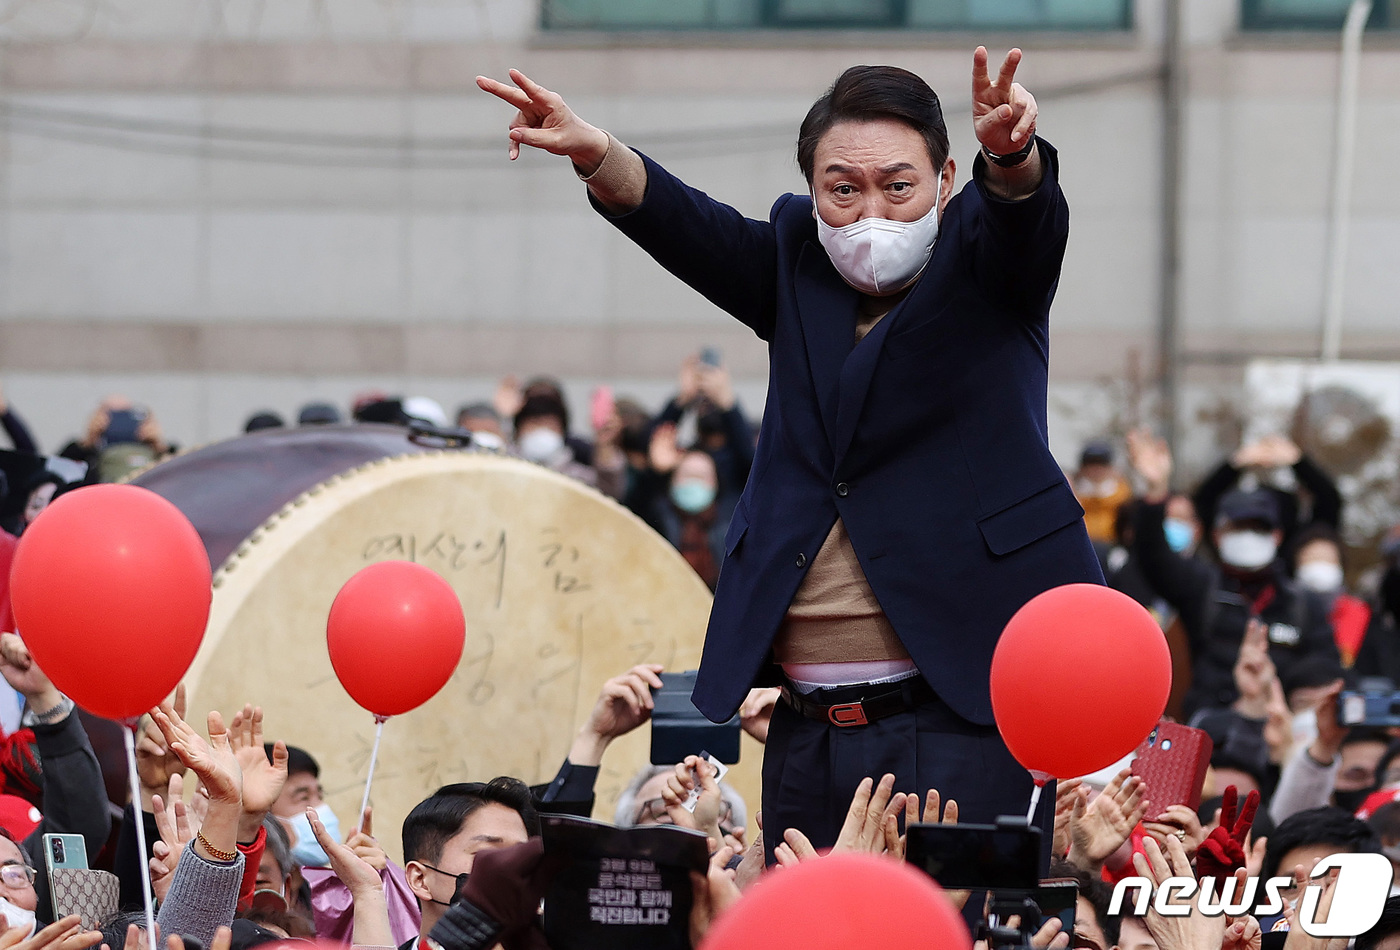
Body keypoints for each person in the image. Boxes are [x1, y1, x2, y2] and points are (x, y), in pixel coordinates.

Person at [478, 48, 1102, 859]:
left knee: (951, 927)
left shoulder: (989, 268)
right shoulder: (795, 261)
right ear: (813, 192)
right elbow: (689, 228)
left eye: (897, 184)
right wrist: (594, 149)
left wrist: (1012, 156)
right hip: (806, 725)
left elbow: (1028, 218)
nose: (869, 210)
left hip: (958, 706)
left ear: (946, 181)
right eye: (842, 188)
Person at [1128, 431, 1339, 718]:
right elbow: (1154, 556)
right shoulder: (1202, 587)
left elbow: (1325, 667)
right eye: (1238, 528)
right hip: (1212, 734)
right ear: (1217, 536)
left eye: (1258, 528)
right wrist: (1155, 493)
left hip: (1279, 732)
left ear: (1277, 536)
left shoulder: (1303, 603)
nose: (1248, 536)